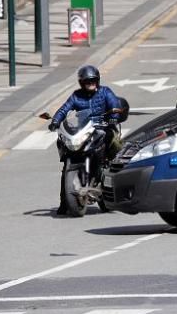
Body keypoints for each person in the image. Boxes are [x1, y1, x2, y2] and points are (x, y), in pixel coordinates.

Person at [48, 65, 124, 214]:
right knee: (66, 164)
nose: (91, 83)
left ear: (98, 80)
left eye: (93, 80)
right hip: (84, 130)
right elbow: (64, 109)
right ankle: (64, 202)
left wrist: (114, 118)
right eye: (87, 81)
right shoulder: (76, 96)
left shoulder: (105, 92)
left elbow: (115, 105)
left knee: (113, 145)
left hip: (103, 127)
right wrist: (55, 121)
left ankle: (108, 170)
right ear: (82, 83)